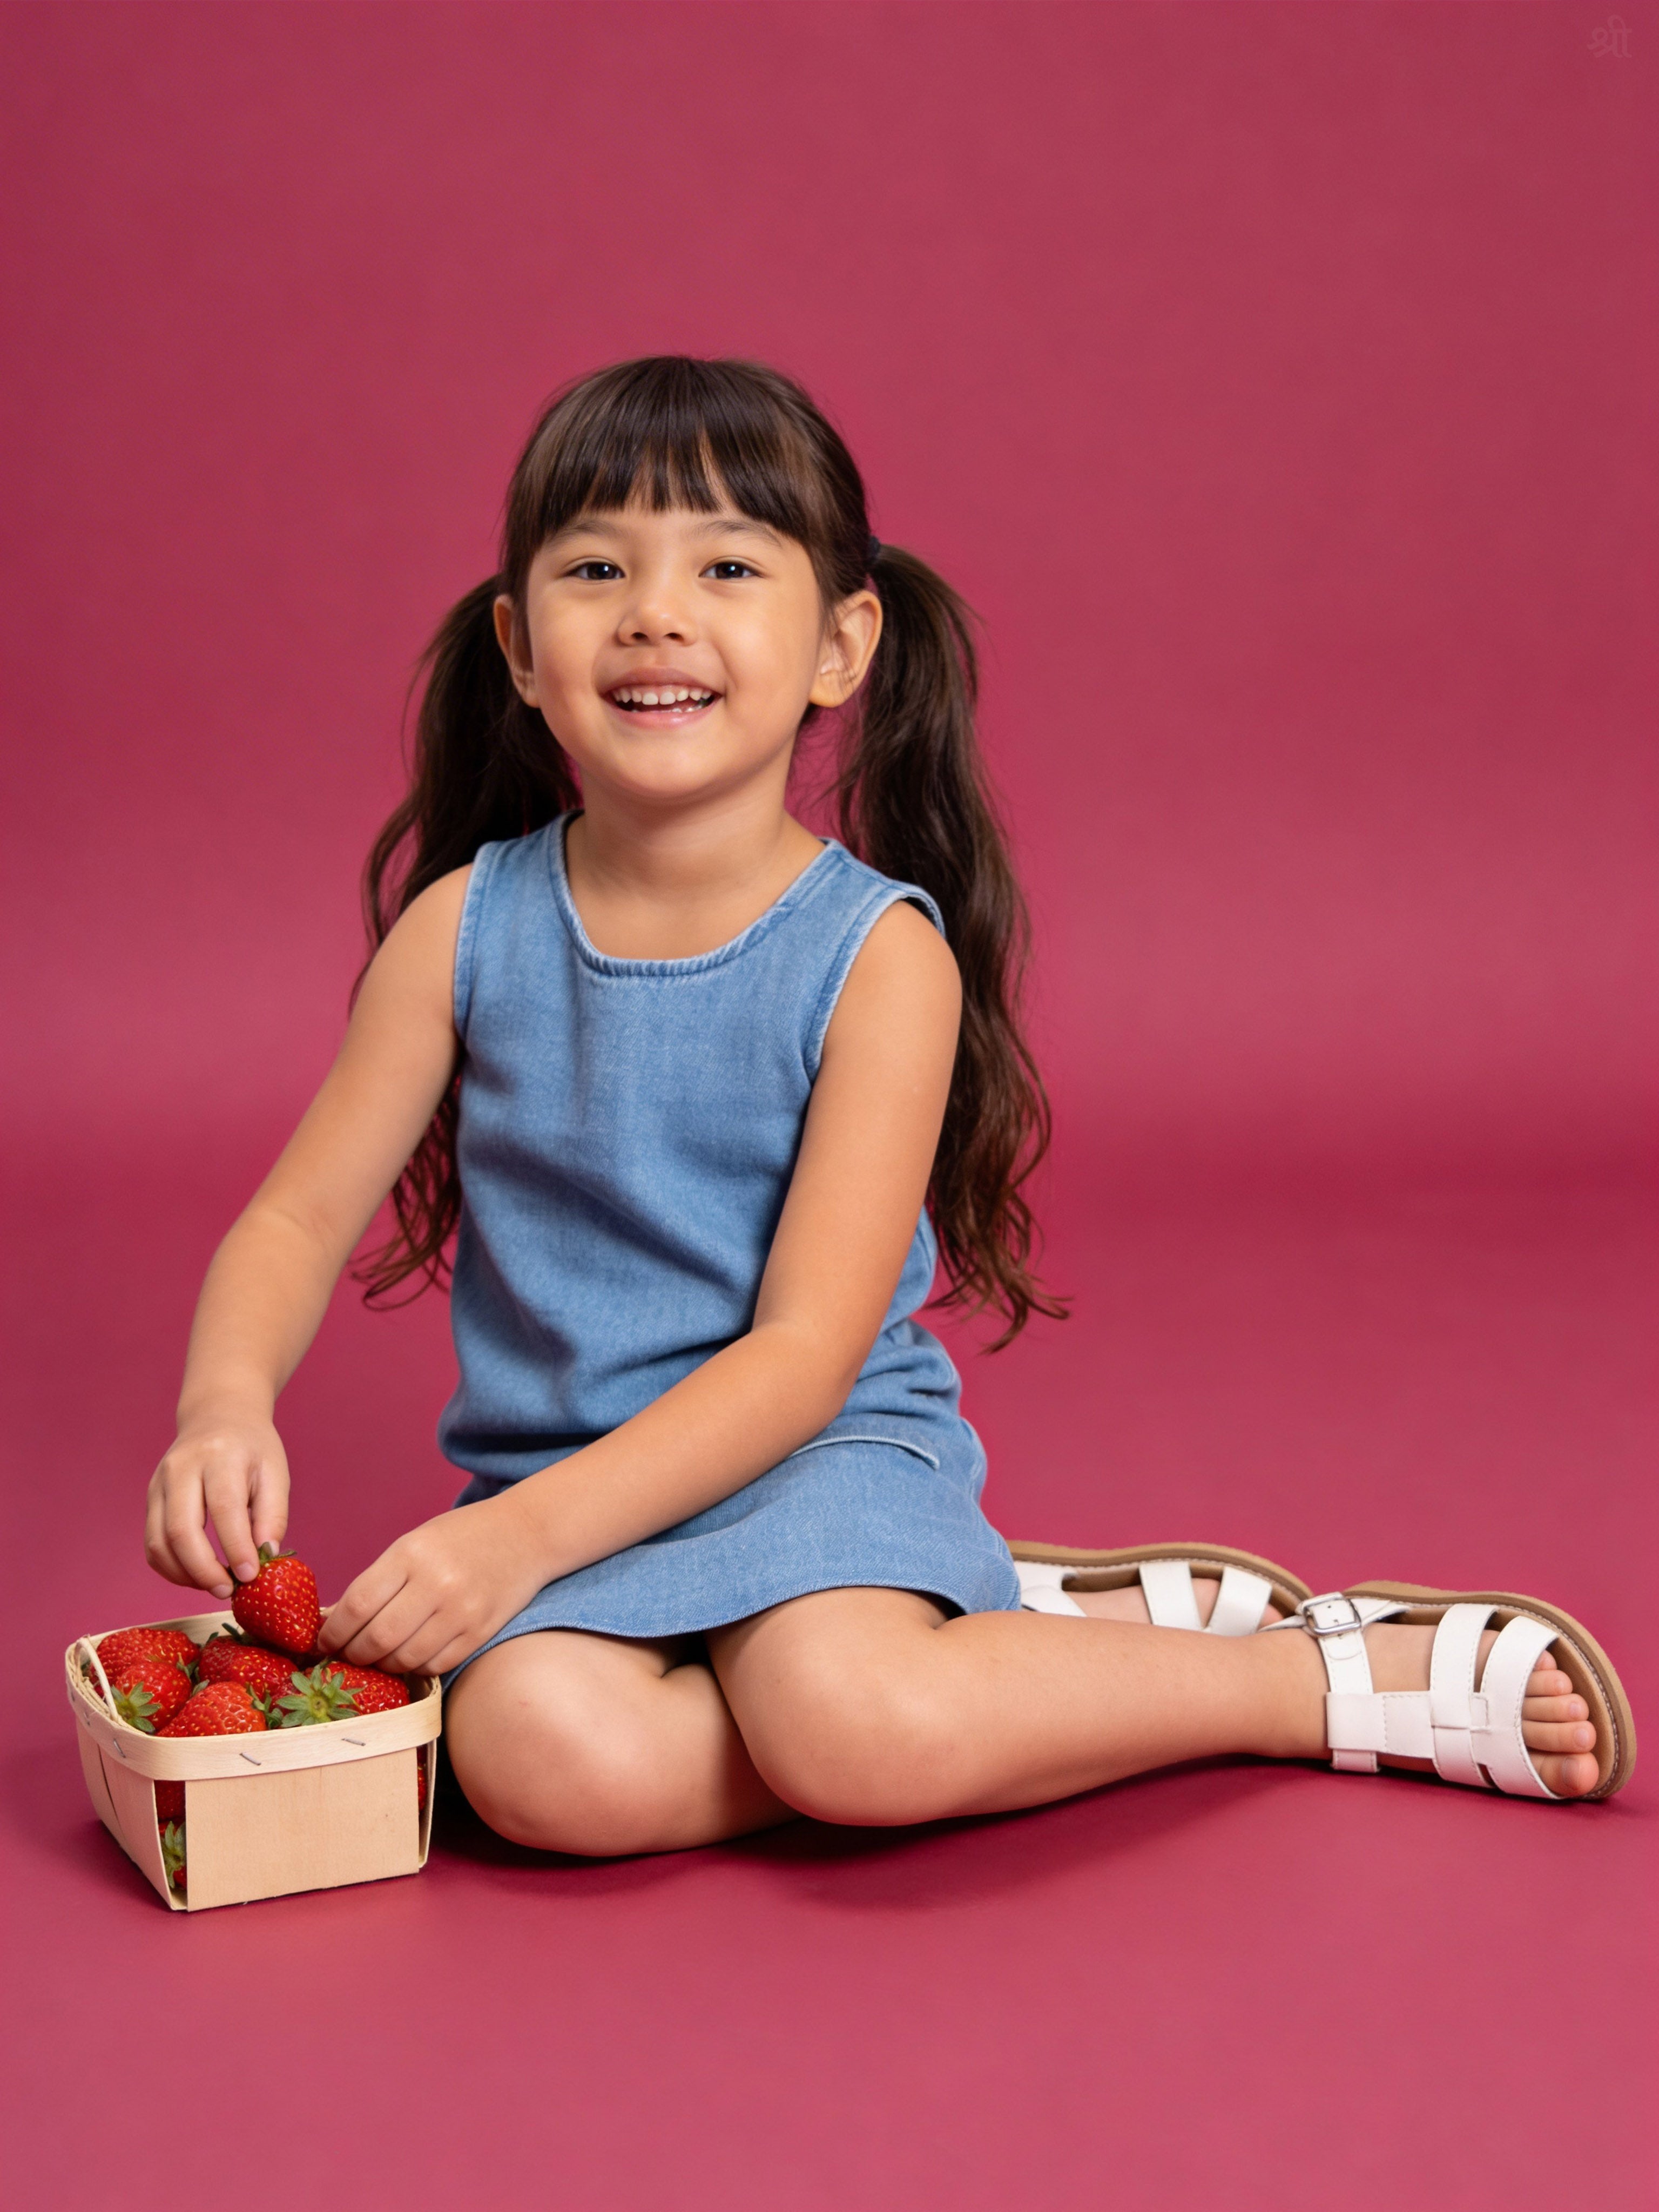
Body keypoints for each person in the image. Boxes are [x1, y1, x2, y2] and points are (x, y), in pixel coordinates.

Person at [145, 356, 1634, 1855]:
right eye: (598, 569)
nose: (657, 610)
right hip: (569, 1480)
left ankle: (1284, 1681)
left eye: (727, 566)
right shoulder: (463, 932)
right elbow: (294, 1214)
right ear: (522, 649)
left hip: (818, 1451)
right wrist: (222, 1407)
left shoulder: (876, 958)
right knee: (534, 1766)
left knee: (852, 1728)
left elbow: (801, 1355)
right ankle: (999, 1651)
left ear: (840, 646)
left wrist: (514, 1546)